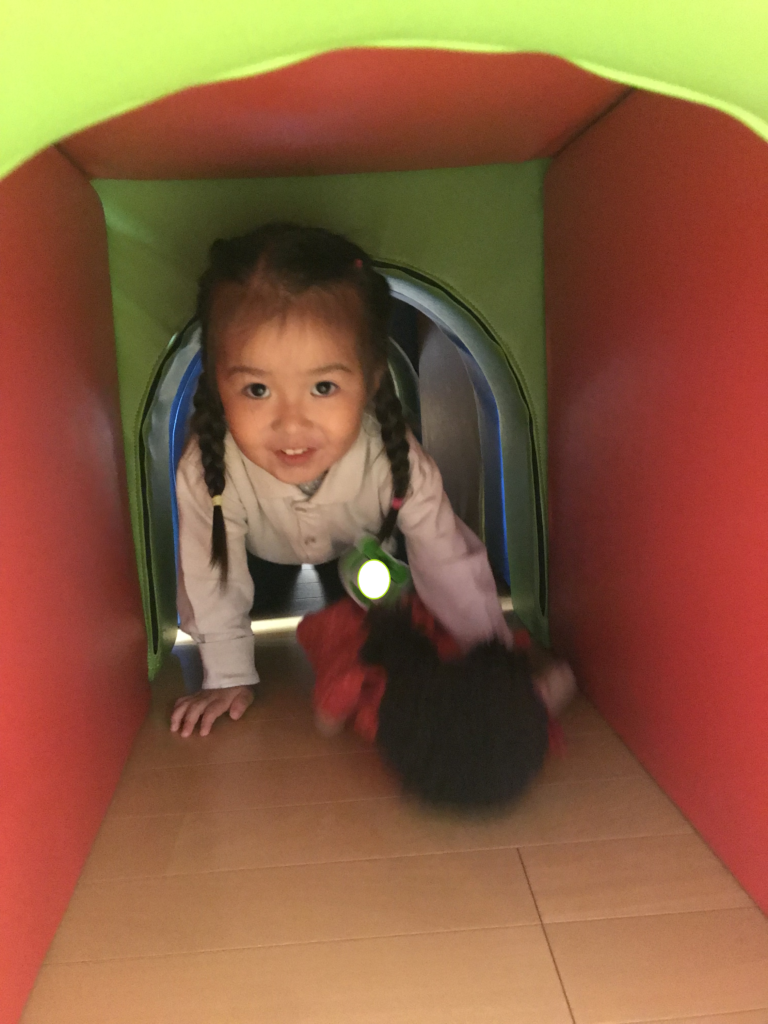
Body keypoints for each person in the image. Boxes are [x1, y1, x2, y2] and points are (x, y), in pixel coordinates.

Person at [170, 222, 574, 738]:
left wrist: (488, 650)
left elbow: (445, 555)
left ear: (371, 380)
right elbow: (210, 575)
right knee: (250, 600)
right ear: (214, 382)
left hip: (361, 548)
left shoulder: (394, 458)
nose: (291, 423)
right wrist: (227, 676)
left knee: (388, 614)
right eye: (256, 389)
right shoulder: (207, 468)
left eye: (323, 386)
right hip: (257, 553)